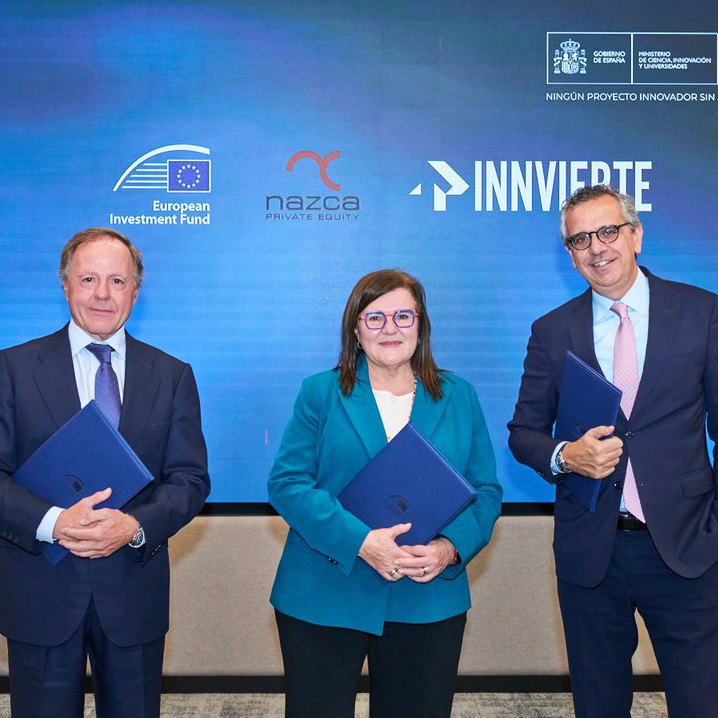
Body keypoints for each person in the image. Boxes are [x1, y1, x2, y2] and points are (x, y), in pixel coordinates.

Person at [508, 185, 718, 718]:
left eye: (608, 231)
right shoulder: (551, 331)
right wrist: (566, 456)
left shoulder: (702, 312)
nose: (596, 248)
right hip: (591, 551)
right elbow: (524, 433)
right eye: (580, 240)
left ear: (636, 235)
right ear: (570, 254)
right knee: (598, 705)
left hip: (688, 546)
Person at [268, 269, 502, 718]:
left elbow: (485, 492)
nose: (389, 328)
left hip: (425, 595)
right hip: (325, 590)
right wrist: (361, 541)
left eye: (403, 316)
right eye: (374, 318)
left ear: (421, 324)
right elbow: (288, 483)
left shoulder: (460, 395)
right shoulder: (320, 392)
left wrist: (448, 549)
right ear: (356, 330)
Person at [0, 228, 210, 718]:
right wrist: (54, 522)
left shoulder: (172, 375)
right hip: (41, 592)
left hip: (132, 593)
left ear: (135, 291)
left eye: (117, 281)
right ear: (65, 286)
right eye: (88, 279)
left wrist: (133, 526)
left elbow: (190, 480)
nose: (102, 294)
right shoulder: (11, 369)